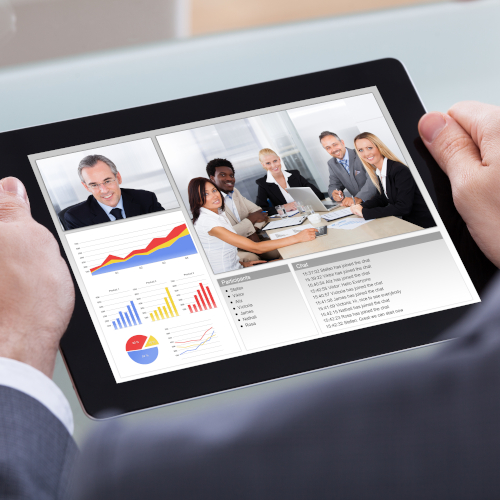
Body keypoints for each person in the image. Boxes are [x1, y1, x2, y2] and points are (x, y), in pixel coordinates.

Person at [1, 101, 500, 500]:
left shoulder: (145, 477)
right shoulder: (97, 214)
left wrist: (18, 344)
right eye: (95, 184)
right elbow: (249, 242)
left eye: (109, 179)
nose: (105, 190)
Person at [189, 177, 316, 274]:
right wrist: (297, 237)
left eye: (214, 190)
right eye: (206, 194)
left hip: (237, 267)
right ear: (197, 198)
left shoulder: (217, 214)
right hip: (228, 274)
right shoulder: (208, 222)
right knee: (294, 262)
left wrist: (243, 264)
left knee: (290, 258)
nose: (215, 195)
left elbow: (217, 250)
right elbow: (256, 248)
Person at [349, 132, 435, 229]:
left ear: (379, 147)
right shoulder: (379, 171)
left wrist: (365, 212)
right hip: (407, 222)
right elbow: (382, 198)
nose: (366, 154)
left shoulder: (399, 170)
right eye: (360, 150)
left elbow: (403, 207)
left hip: (423, 223)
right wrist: (361, 206)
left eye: (369, 148)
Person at [61, 154, 164, 230]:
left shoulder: (146, 199)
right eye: (94, 185)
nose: (104, 190)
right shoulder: (76, 217)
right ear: (86, 187)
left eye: (107, 181)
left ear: (118, 177)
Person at [206, 157, 278, 262]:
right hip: (233, 248)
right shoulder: (210, 203)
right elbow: (225, 235)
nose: (229, 179)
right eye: (222, 175)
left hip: (254, 239)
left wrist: (252, 231)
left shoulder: (235, 192)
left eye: (231, 175)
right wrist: (251, 219)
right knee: (252, 258)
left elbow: (260, 212)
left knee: (279, 249)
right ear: (212, 178)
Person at [255, 148, 323, 215]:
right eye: (268, 163)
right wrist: (283, 207)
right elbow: (260, 210)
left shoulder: (294, 175)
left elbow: (319, 194)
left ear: (279, 159)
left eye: (275, 161)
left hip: (308, 213)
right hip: (289, 219)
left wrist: (303, 202)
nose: (273, 165)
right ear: (263, 165)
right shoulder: (263, 183)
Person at [320, 131, 378, 207]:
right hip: (359, 206)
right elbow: (334, 184)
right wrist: (334, 194)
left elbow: (373, 178)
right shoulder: (332, 163)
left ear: (342, 142)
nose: (333, 150)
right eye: (328, 148)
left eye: (335, 145)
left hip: (379, 200)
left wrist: (358, 198)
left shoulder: (360, 154)